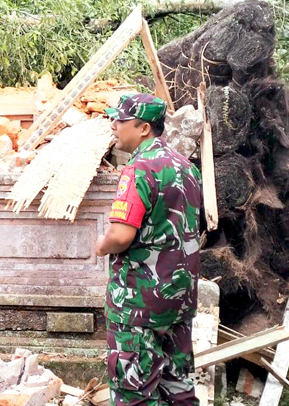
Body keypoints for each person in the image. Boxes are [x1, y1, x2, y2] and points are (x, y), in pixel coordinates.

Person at [93, 93, 203, 406]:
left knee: (135, 394)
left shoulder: (139, 170)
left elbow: (121, 235)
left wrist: (101, 246)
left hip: (139, 304)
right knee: (178, 392)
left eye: (121, 120)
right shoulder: (186, 168)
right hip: (179, 300)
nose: (114, 126)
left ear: (143, 128)